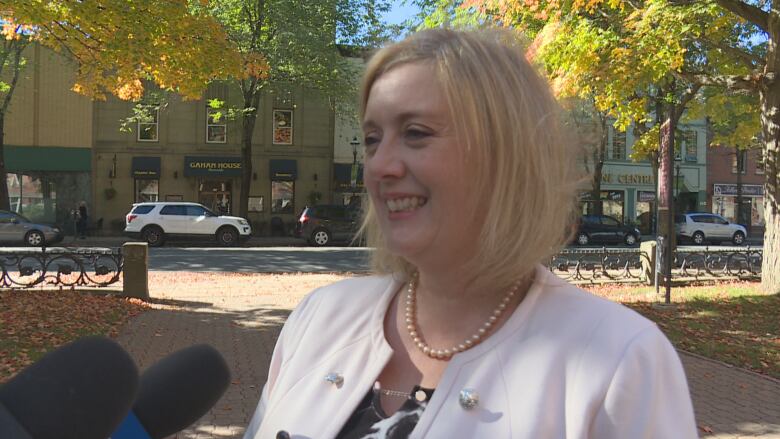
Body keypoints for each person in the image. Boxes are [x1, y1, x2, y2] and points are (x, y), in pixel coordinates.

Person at [244, 29, 697, 438]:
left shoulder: (619, 359)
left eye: (416, 133)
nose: (380, 166)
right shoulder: (319, 319)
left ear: (506, 154)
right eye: (372, 139)